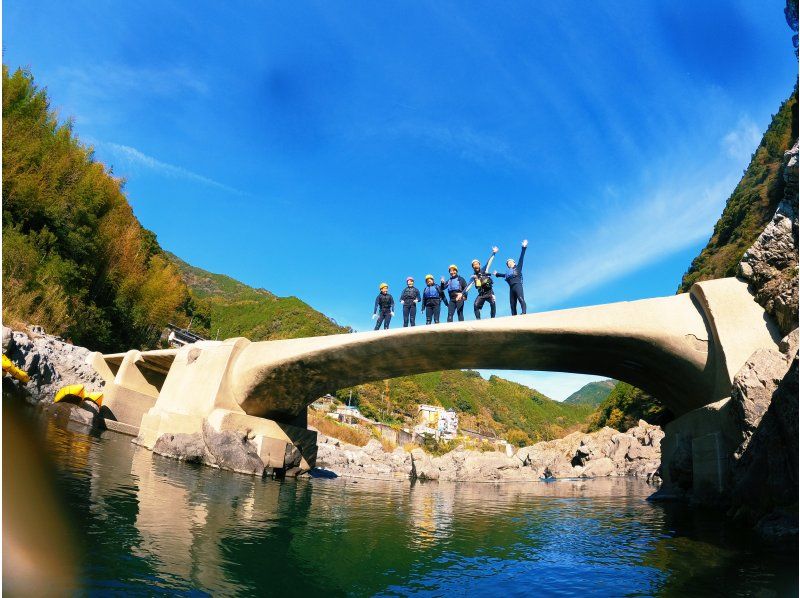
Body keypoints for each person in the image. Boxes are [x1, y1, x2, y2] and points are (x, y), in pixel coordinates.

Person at [460, 246, 499, 319]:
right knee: (475, 305)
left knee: (493, 303)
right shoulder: (473, 276)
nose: (475, 265)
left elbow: (488, 262)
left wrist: (493, 253)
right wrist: (462, 294)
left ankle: (493, 319)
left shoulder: (484, 269)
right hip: (481, 294)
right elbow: (468, 286)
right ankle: (478, 320)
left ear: (479, 265)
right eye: (474, 265)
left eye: (476, 264)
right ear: (473, 267)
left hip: (489, 292)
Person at [495, 239, 528, 315]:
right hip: (511, 288)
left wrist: (524, 247)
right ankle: (514, 317)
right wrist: (497, 274)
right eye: (507, 263)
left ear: (514, 263)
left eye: (510, 262)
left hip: (518, 285)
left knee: (521, 299)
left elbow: (521, 258)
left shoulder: (518, 268)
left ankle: (524, 313)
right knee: (512, 304)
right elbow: (502, 275)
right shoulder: (507, 273)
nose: (509, 263)